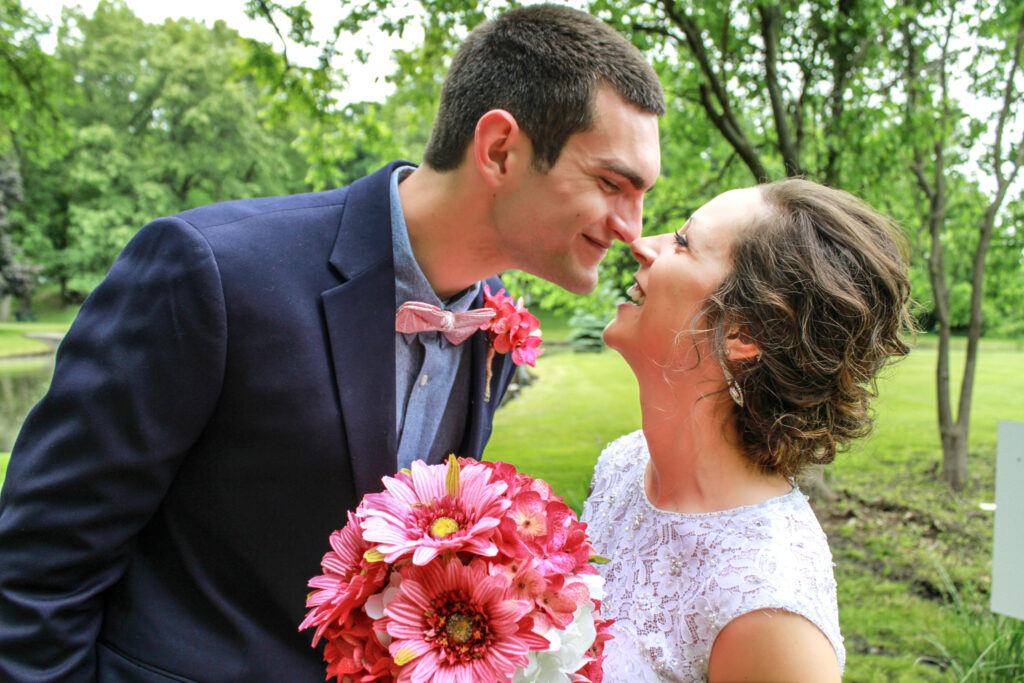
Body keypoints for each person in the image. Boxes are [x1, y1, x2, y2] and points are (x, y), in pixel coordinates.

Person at [0, 6, 664, 681]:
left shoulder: (489, 326)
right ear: (499, 149)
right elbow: (36, 569)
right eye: (612, 183)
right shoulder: (211, 272)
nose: (633, 229)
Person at [582, 179, 913, 682]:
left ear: (743, 333)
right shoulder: (622, 467)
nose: (642, 245)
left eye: (683, 243)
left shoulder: (770, 611)